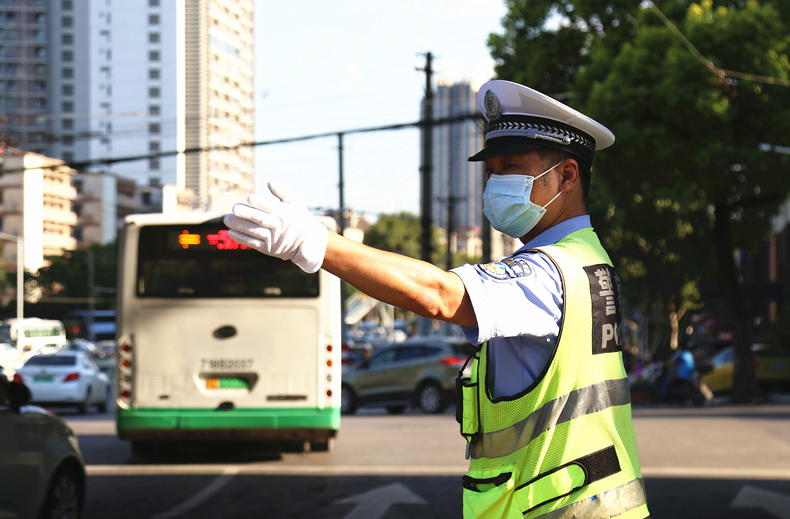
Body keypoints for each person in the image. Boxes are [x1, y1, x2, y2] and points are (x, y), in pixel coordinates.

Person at [224, 80, 650, 519]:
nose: (495, 182)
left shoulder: (548, 273)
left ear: (566, 175)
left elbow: (439, 295)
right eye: (492, 171)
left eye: (511, 168)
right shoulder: (589, 261)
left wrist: (314, 242)